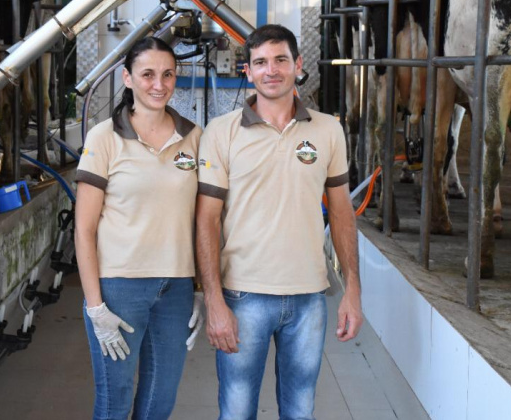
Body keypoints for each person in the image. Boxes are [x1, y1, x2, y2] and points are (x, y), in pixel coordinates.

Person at [196, 24, 363, 419]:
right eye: (261, 62)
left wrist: (353, 290)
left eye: (280, 60)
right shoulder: (221, 133)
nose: (271, 70)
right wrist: (213, 300)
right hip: (242, 297)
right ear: (248, 71)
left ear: (298, 65)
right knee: (236, 413)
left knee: (300, 412)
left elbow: (341, 213)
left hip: (309, 299)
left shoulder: (328, 130)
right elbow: (206, 221)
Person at [75, 37, 205, 420]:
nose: (158, 84)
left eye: (167, 75)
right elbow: (83, 229)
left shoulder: (194, 137)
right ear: (127, 78)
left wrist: (199, 287)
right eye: (147, 74)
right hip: (119, 288)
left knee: (159, 403)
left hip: (176, 289)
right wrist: (96, 307)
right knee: (114, 401)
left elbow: (202, 219)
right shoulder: (105, 137)